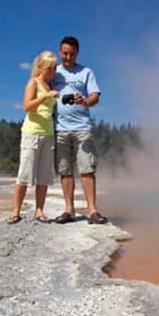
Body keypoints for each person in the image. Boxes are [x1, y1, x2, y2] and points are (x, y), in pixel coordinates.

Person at [50, 35, 108, 224]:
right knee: (65, 170)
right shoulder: (53, 73)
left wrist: (84, 101)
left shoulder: (86, 72)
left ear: (77, 53)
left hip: (82, 127)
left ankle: (92, 210)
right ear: (60, 52)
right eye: (65, 53)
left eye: (72, 54)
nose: (68, 57)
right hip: (60, 128)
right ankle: (69, 210)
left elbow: (95, 97)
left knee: (87, 169)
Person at [8, 50, 59, 224]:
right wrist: (45, 96)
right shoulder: (33, 83)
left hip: (48, 134)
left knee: (43, 175)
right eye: (50, 68)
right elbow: (27, 106)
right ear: (40, 67)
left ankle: (39, 211)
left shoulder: (52, 86)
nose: (53, 71)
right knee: (24, 173)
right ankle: (16, 212)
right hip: (32, 133)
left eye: (54, 68)